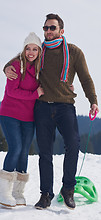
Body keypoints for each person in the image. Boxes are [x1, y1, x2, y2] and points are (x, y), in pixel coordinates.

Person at [4, 13, 99, 210]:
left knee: (73, 144)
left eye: (52, 28)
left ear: (61, 31)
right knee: (44, 152)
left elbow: (85, 78)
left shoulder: (74, 52)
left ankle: (68, 189)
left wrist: (93, 100)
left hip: (65, 106)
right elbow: (22, 58)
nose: (48, 31)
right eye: (45, 28)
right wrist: (6, 67)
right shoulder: (40, 52)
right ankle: (45, 194)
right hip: (42, 107)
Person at [0, 32, 44, 207]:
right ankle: (4, 193)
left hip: (28, 117)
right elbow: (12, 91)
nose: (31, 52)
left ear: (39, 51)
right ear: (24, 49)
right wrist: (35, 94)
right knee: (16, 147)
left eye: (35, 49)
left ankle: (18, 193)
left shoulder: (40, 69)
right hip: (10, 114)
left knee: (24, 151)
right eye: (28, 49)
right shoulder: (16, 65)